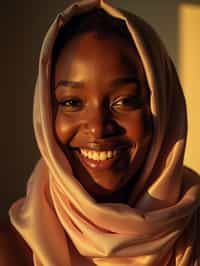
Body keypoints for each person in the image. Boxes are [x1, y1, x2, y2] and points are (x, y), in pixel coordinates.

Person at [1, 0, 200, 265]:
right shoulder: (12, 248)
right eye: (72, 102)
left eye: (124, 101)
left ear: (164, 109)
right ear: (46, 113)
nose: (97, 127)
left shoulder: (194, 232)